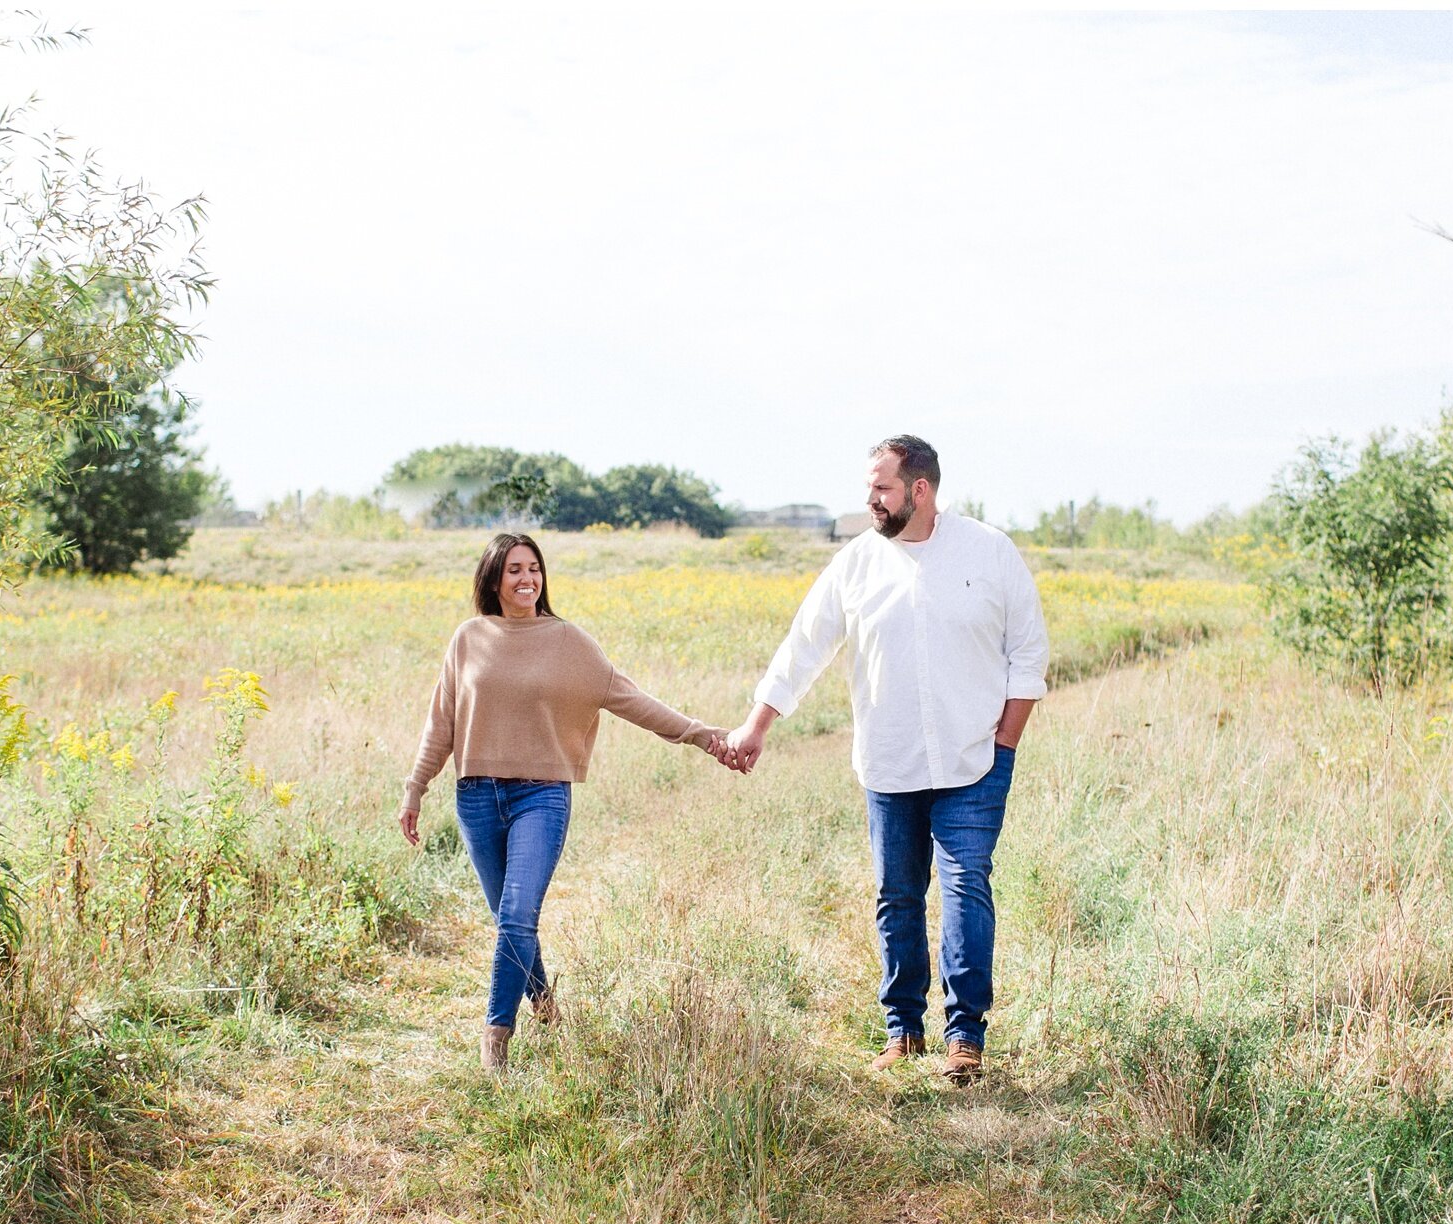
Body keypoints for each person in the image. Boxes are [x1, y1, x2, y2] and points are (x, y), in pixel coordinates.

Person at [727, 436, 1049, 1083]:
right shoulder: (856, 565)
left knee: (965, 888)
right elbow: (805, 647)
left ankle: (966, 1040)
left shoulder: (989, 552)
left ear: (920, 490)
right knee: (897, 897)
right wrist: (757, 725)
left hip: (975, 762)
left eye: (881, 489)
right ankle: (903, 1031)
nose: (870, 501)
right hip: (890, 763)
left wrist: (1005, 746)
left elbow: (1029, 655)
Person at [398, 531, 741, 1072]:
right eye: (514, 569)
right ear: (493, 579)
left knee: (516, 914)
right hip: (477, 797)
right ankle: (545, 1002)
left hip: (542, 796)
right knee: (510, 919)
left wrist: (699, 733)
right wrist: (415, 788)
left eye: (533, 568)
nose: (526, 578)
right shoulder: (469, 638)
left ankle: (496, 1034)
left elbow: (631, 699)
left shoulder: (570, 642)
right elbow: (441, 722)